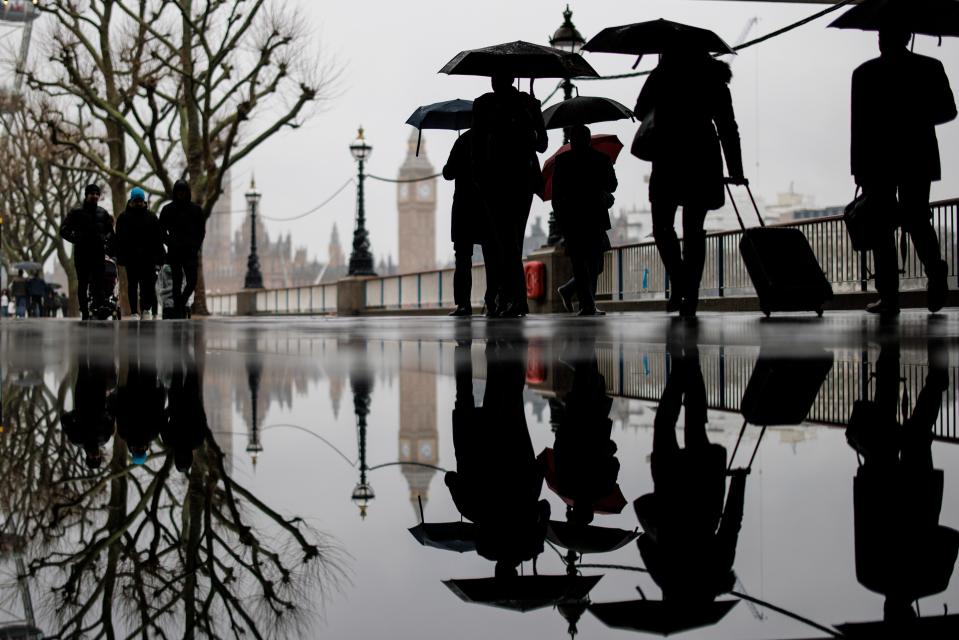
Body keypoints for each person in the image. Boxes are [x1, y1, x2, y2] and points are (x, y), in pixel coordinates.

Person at [846, 335, 958, 627]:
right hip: (881, 487)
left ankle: (935, 379)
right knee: (885, 421)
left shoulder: (932, 582)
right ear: (886, 614)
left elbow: (949, 538)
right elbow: (863, 519)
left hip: (918, 495)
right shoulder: (868, 576)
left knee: (918, 436)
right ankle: (889, 355)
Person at [633, 329, 747, 605]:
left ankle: (691, 364)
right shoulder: (666, 577)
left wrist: (739, 482)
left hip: (704, 492)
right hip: (670, 491)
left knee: (695, 425)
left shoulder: (717, 569)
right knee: (664, 424)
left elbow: (731, 524)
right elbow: (644, 544)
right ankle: (680, 367)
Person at [851, 25, 957, 316]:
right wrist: (917, 113)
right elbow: (949, 110)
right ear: (908, 37)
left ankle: (889, 297)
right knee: (918, 220)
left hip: (877, 161)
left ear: (881, 39)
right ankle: (936, 273)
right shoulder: (929, 67)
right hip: (917, 156)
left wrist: (858, 168)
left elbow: (858, 126)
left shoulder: (864, 74)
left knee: (881, 227)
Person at [635, 47, 746, 318]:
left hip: (668, 157)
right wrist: (736, 169)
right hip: (702, 159)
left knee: (662, 228)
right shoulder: (715, 82)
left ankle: (680, 282)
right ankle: (690, 294)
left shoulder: (663, 76)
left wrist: (659, 74)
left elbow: (640, 111)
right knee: (694, 231)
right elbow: (728, 127)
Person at [471, 74, 548, 318]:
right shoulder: (497, 104)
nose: (496, 81)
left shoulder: (491, 105)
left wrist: (533, 120)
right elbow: (542, 144)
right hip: (507, 181)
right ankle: (510, 298)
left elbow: (541, 143)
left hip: (507, 181)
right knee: (510, 241)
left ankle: (513, 299)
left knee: (508, 241)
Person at [552, 125, 618, 316]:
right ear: (589, 139)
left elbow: (557, 195)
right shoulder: (602, 159)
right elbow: (612, 186)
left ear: (571, 140)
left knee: (580, 263)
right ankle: (588, 303)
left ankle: (584, 302)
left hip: (572, 220)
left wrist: (561, 218)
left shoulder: (562, 161)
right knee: (594, 262)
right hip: (595, 218)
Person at [444, 129, 495, 317]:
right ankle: (493, 302)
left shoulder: (463, 141)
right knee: (492, 256)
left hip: (464, 208)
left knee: (463, 258)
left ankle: (464, 304)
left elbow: (448, 173)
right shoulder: (493, 138)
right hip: (487, 206)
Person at [60, 184, 116, 320]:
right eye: (92, 193)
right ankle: (84, 311)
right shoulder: (76, 212)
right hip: (82, 254)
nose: (95, 196)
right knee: (83, 283)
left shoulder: (103, 213)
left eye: (97, 194)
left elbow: (110, 233)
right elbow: (63, 230)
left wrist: (106, 242)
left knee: (100, 282)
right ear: (86, 195)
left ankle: (98, 307)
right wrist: (76, 239)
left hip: (98, 253)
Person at [160, 180, 206, 318]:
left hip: (190, 251)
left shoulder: (196, 210)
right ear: (175, 192)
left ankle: (180, 303)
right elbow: (161, 230)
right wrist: (170, 243)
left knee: (192, 281)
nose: (181, 194)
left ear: (187, 192)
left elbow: (201, 231)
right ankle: (178, 309)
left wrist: (196, 246)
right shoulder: (167, 209)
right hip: (175, 251)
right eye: (179, 191)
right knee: (176, 281)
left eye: (183, 191)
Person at [116, 187, 165, 320]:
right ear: (132, 200)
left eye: (140, 201)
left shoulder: (151, 217)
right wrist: (120, 256)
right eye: (136, 200)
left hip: (148, 258)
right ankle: (134, 312)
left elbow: (158, 239)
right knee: (133, 285)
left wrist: (160, 257)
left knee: (147, 286)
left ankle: (145, 309)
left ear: (143, 201)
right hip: (131, 258)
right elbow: (119, 240)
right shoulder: (123, 218)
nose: (139, 203)